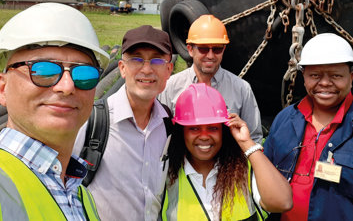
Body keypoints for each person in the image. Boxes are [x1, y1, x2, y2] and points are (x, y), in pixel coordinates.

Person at [0, 2, 110, 220]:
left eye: (83, 75)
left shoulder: (81, 195)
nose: (67, 86)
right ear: (3, 89)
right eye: (43, 70)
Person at [73, 25, 174, 221]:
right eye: (136, 59)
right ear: (122, 68)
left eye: (156, 60)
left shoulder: (167, 125)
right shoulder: (90, 121)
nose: (146, 69)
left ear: (169, 69)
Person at [162, 83, 292, 220]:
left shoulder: (244, 169)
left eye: (213, 128)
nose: (204, 136)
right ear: (182, 132)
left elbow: (283, 202)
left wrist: (247, 143)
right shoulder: (166, 173)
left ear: (224, 131)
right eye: (194, 128)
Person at [264, 33, 353, 220]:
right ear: (304, 76)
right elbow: (266, 173)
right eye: (315, 75)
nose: (325, 83)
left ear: (351, 77)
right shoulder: (285, 120)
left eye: (336, 75)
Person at [159, 14, 263, 143]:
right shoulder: (170, 87)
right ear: (190, 50)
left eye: (217, 49)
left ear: (224, 49)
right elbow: (161, 135)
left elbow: (254, 138)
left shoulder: (241, 89)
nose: (210, 55)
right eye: (203, 49)